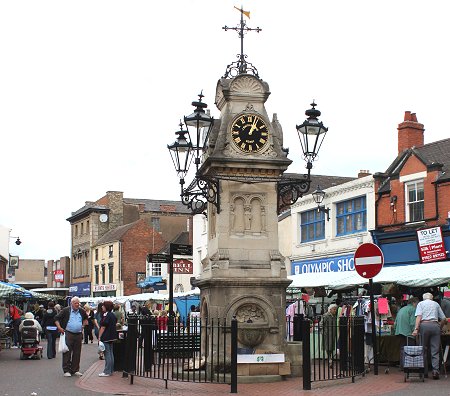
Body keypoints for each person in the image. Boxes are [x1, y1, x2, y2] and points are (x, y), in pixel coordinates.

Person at [412, 292, 447, 380]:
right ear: (431, 298)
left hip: (424, 325)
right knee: (435, 350)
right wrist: (440, 327)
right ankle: (435, 371)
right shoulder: (436, 304)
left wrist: (416, 329)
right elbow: (444, 319)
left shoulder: (420, 304)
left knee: (423, 349)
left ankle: (424, 371)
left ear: (424, 298)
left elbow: (418, 317)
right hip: (435, 326)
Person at [55, 297, 88, 377]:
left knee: (77, 352)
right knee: (67, 352)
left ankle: (75, 369)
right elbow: (56, 318)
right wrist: (59, 327)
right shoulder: (66, 310)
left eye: (78, 303)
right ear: (72, 303)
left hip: (78, 334)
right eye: (76, 303)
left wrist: (83, 326)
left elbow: (86, 319)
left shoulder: (81, 311)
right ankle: (66, 370)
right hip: (68, 333)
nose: (77, 305)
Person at [98, 300, 117, 377]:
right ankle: (111, 370)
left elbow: (103, 327)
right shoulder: (113, 315)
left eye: (103, 305)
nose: (102, 307)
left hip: (106, 336)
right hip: (112, 336)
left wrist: (99, 336)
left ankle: (107, 371)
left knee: (107, 354)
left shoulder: (107, 315)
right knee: (111, 353)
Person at [322, 304, 338, 368]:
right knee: (327, 347)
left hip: (332, 334)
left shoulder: (334, 316)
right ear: (330, 309)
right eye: (334, 309)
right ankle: (329, 359)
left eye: (335, 309)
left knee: (331, 347)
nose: (335, 310)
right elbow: (321, 324)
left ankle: (330, 358)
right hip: (327, 335)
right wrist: (323, 332)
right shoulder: (326, 315)